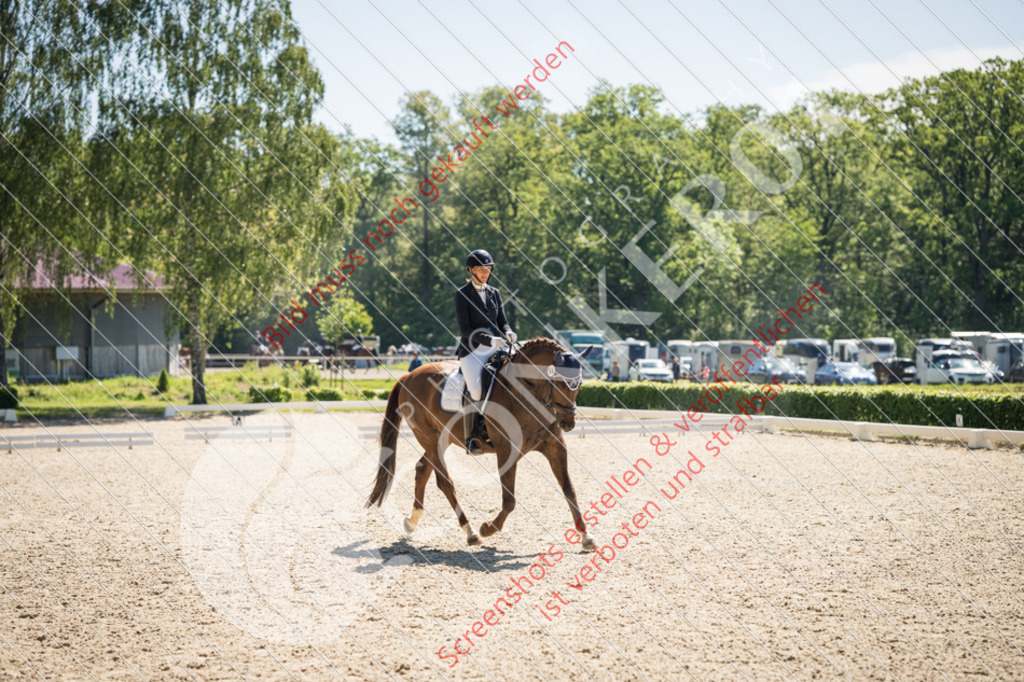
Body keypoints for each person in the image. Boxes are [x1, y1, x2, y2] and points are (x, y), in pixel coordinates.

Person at [455, 249, 517, 454]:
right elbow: (465, 330)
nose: (485, 273)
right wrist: (490, 339)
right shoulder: (462, 294)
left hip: (495, 348)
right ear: (471, 270)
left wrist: (508, 332)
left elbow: (503, 321)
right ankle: (471, 437)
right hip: (472, 351)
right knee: (476, 390)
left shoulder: (495, 293)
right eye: (481, 269)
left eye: (487, 269)